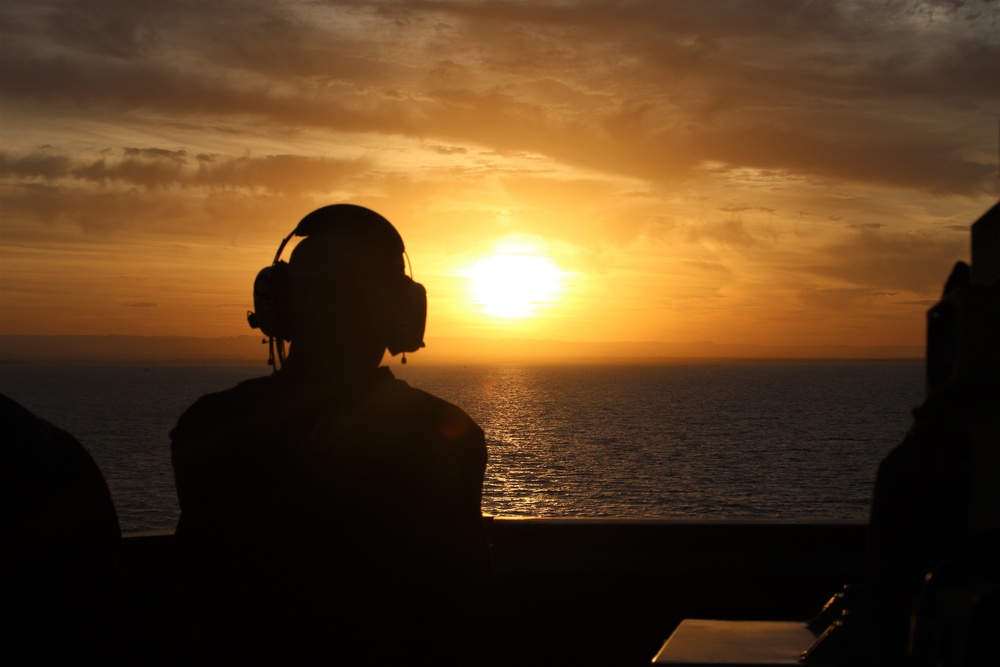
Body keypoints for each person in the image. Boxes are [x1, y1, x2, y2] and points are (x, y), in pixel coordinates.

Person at [170, 204, 493, 664]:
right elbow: (463, 605)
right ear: (403, 316)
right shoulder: (449, 435)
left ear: (278, 307)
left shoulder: (209, 425)